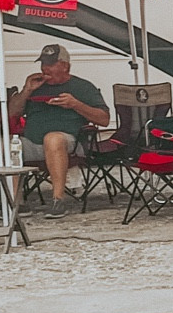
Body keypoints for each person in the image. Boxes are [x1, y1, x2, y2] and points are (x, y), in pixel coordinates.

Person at [7, 42, 109, 216]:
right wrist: (26, 90)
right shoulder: (36, 86)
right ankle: (16, 202)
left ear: (65, 67)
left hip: (69, 142)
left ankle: (58, 200)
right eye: (43, 64)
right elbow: (11, 113)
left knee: (52, 138)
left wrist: (76, 104)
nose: (45, 69)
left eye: (51, 64)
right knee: (5, 144)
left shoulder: (82, 87)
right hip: (32, 142)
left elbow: (104, 119)